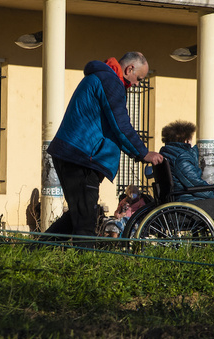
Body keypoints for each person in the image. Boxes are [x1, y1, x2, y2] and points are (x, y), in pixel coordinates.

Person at [45, 52, 164, 245]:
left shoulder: (102, 77)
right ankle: (86, 269)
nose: (137, 84)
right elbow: (121, 125)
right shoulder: (110, 81)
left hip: (72, 154)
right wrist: (143, 153)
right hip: (82, 157)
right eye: (139, 79)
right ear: (129, 69)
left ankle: (31, 252)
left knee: (78, 215)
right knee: (85, 221)